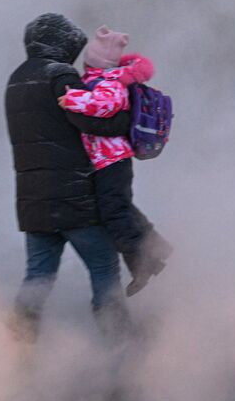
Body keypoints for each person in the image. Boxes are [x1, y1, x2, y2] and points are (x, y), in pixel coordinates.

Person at [5, 12, 135, 340]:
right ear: (59, 44)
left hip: (33, 202)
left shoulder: (16, 79)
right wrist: (127, 121)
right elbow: (90, 120)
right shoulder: (59, 74)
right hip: (73, 197)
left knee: (38, 278)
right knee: (105, 269)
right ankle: (120, 344)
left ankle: (18, 343)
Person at [57, 25, 174, 297]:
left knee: (114, 213)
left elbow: (104, 106)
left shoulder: (110, 81)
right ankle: (156, 246)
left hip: (112, 160)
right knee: (120, 207)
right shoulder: (102, 78)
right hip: (108, 161)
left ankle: (143, 265)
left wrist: (72, 98)